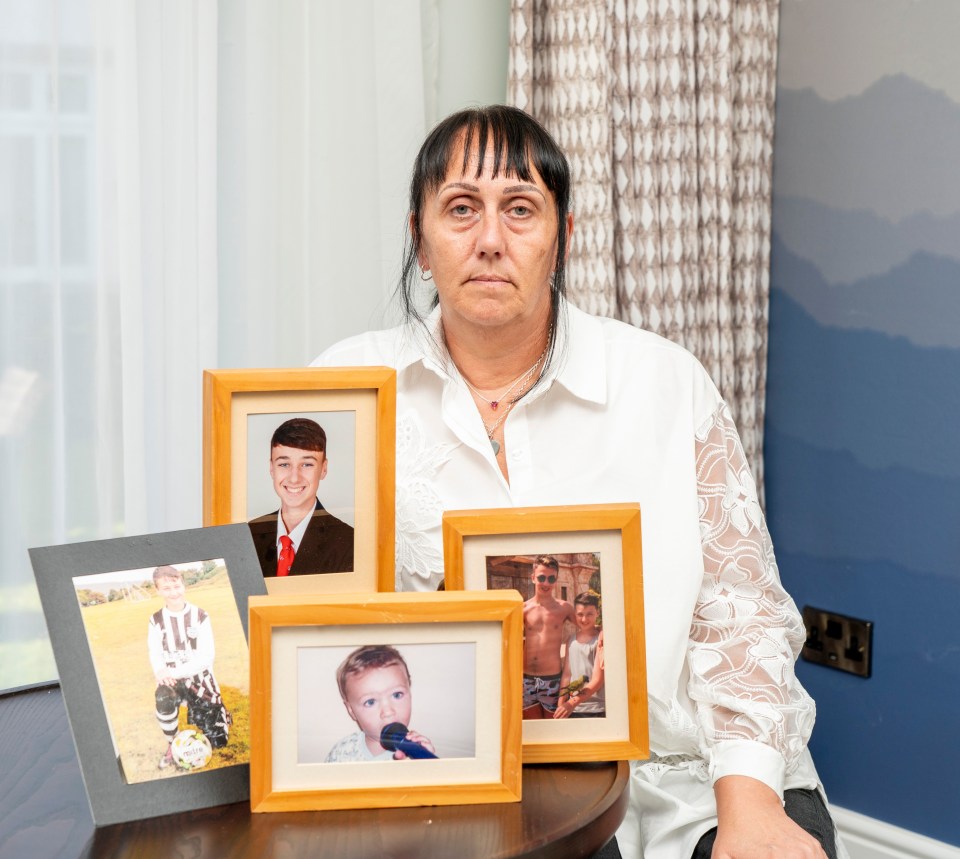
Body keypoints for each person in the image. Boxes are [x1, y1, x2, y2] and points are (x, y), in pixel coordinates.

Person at [312, 105, 841, 858]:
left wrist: (750, 802)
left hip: (688, 775)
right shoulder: (342, 391)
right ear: (420, 241)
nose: (490, 240)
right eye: (461, 209)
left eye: (520, 210)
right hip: (458, 786)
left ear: (562, 239)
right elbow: (293, 604)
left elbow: (744, 613)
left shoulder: (665, 384)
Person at [248, 417, 354, 578]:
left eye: (307, 464)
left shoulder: (349, 544)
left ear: (324, 469)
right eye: (284, 464)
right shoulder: (248, 535)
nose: (294, 478)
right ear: (271, 468)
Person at [148, 565, 231, 770]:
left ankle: (219, 715)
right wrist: (160, 672)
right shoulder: (156, 620)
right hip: (173, 682)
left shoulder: (200, 615)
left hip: (200, 680)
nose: (173, 592)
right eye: (166, 588)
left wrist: (172, 671)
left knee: (219, 743)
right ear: (158, 591)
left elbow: (206, 657)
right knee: (163, 695)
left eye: (176, 586)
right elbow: (155, 652)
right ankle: (172, 743)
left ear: (183, 585)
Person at [325, 644, 436, 762]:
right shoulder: (343, 752)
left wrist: (426, 768)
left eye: (397, 695)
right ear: (351, 711)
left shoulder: (416, 753)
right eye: (371, 702)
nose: (388, 712)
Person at [521, 555, 576, 719]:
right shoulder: (523, 609)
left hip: (552, 680)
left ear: (556, 580)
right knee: (534, 730)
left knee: (554, 730)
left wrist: (603, 634)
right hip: (527, 679)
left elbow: (587, 627)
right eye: (541, 577)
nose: (546, 583)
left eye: (551, 578)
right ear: (533, 578)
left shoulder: (564, 608)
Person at [554, 591, 605, 719]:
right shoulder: (570, 640)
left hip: (595, 709)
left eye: (589, 614)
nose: (584, 619)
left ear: (597, 613)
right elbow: (567, 675)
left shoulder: (600, 640)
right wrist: (561, 704)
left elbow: (597, 681)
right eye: (580, 614)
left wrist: (571, 703)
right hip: (572, 709)